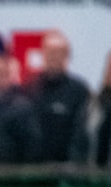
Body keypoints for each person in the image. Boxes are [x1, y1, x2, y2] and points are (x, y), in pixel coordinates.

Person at [24, 30, 89, 164]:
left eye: (58, 52)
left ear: (67, 56)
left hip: (66, 167)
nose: (53, 57)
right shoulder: (29, 87)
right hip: (33, 168)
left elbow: (80, 132)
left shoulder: (78, 90)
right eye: (49, 52)